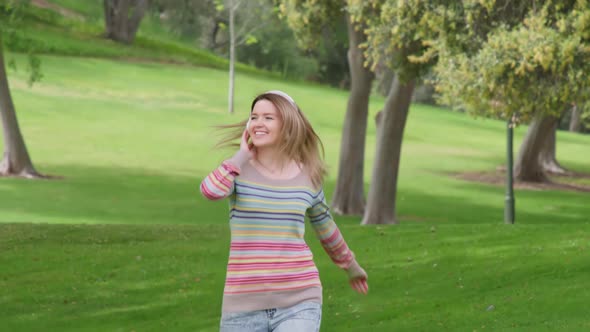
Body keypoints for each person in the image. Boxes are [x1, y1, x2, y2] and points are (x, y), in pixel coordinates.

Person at [200, 90, 368, 332]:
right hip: (242, 308)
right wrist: (240, 157)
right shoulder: (237, 171)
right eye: (254, 116)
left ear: (288, 126)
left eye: (268, 117)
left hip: (300, 300)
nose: (258, 123)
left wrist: (352, 267)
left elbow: (327, 228)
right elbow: (210, 191)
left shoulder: (307, 176)